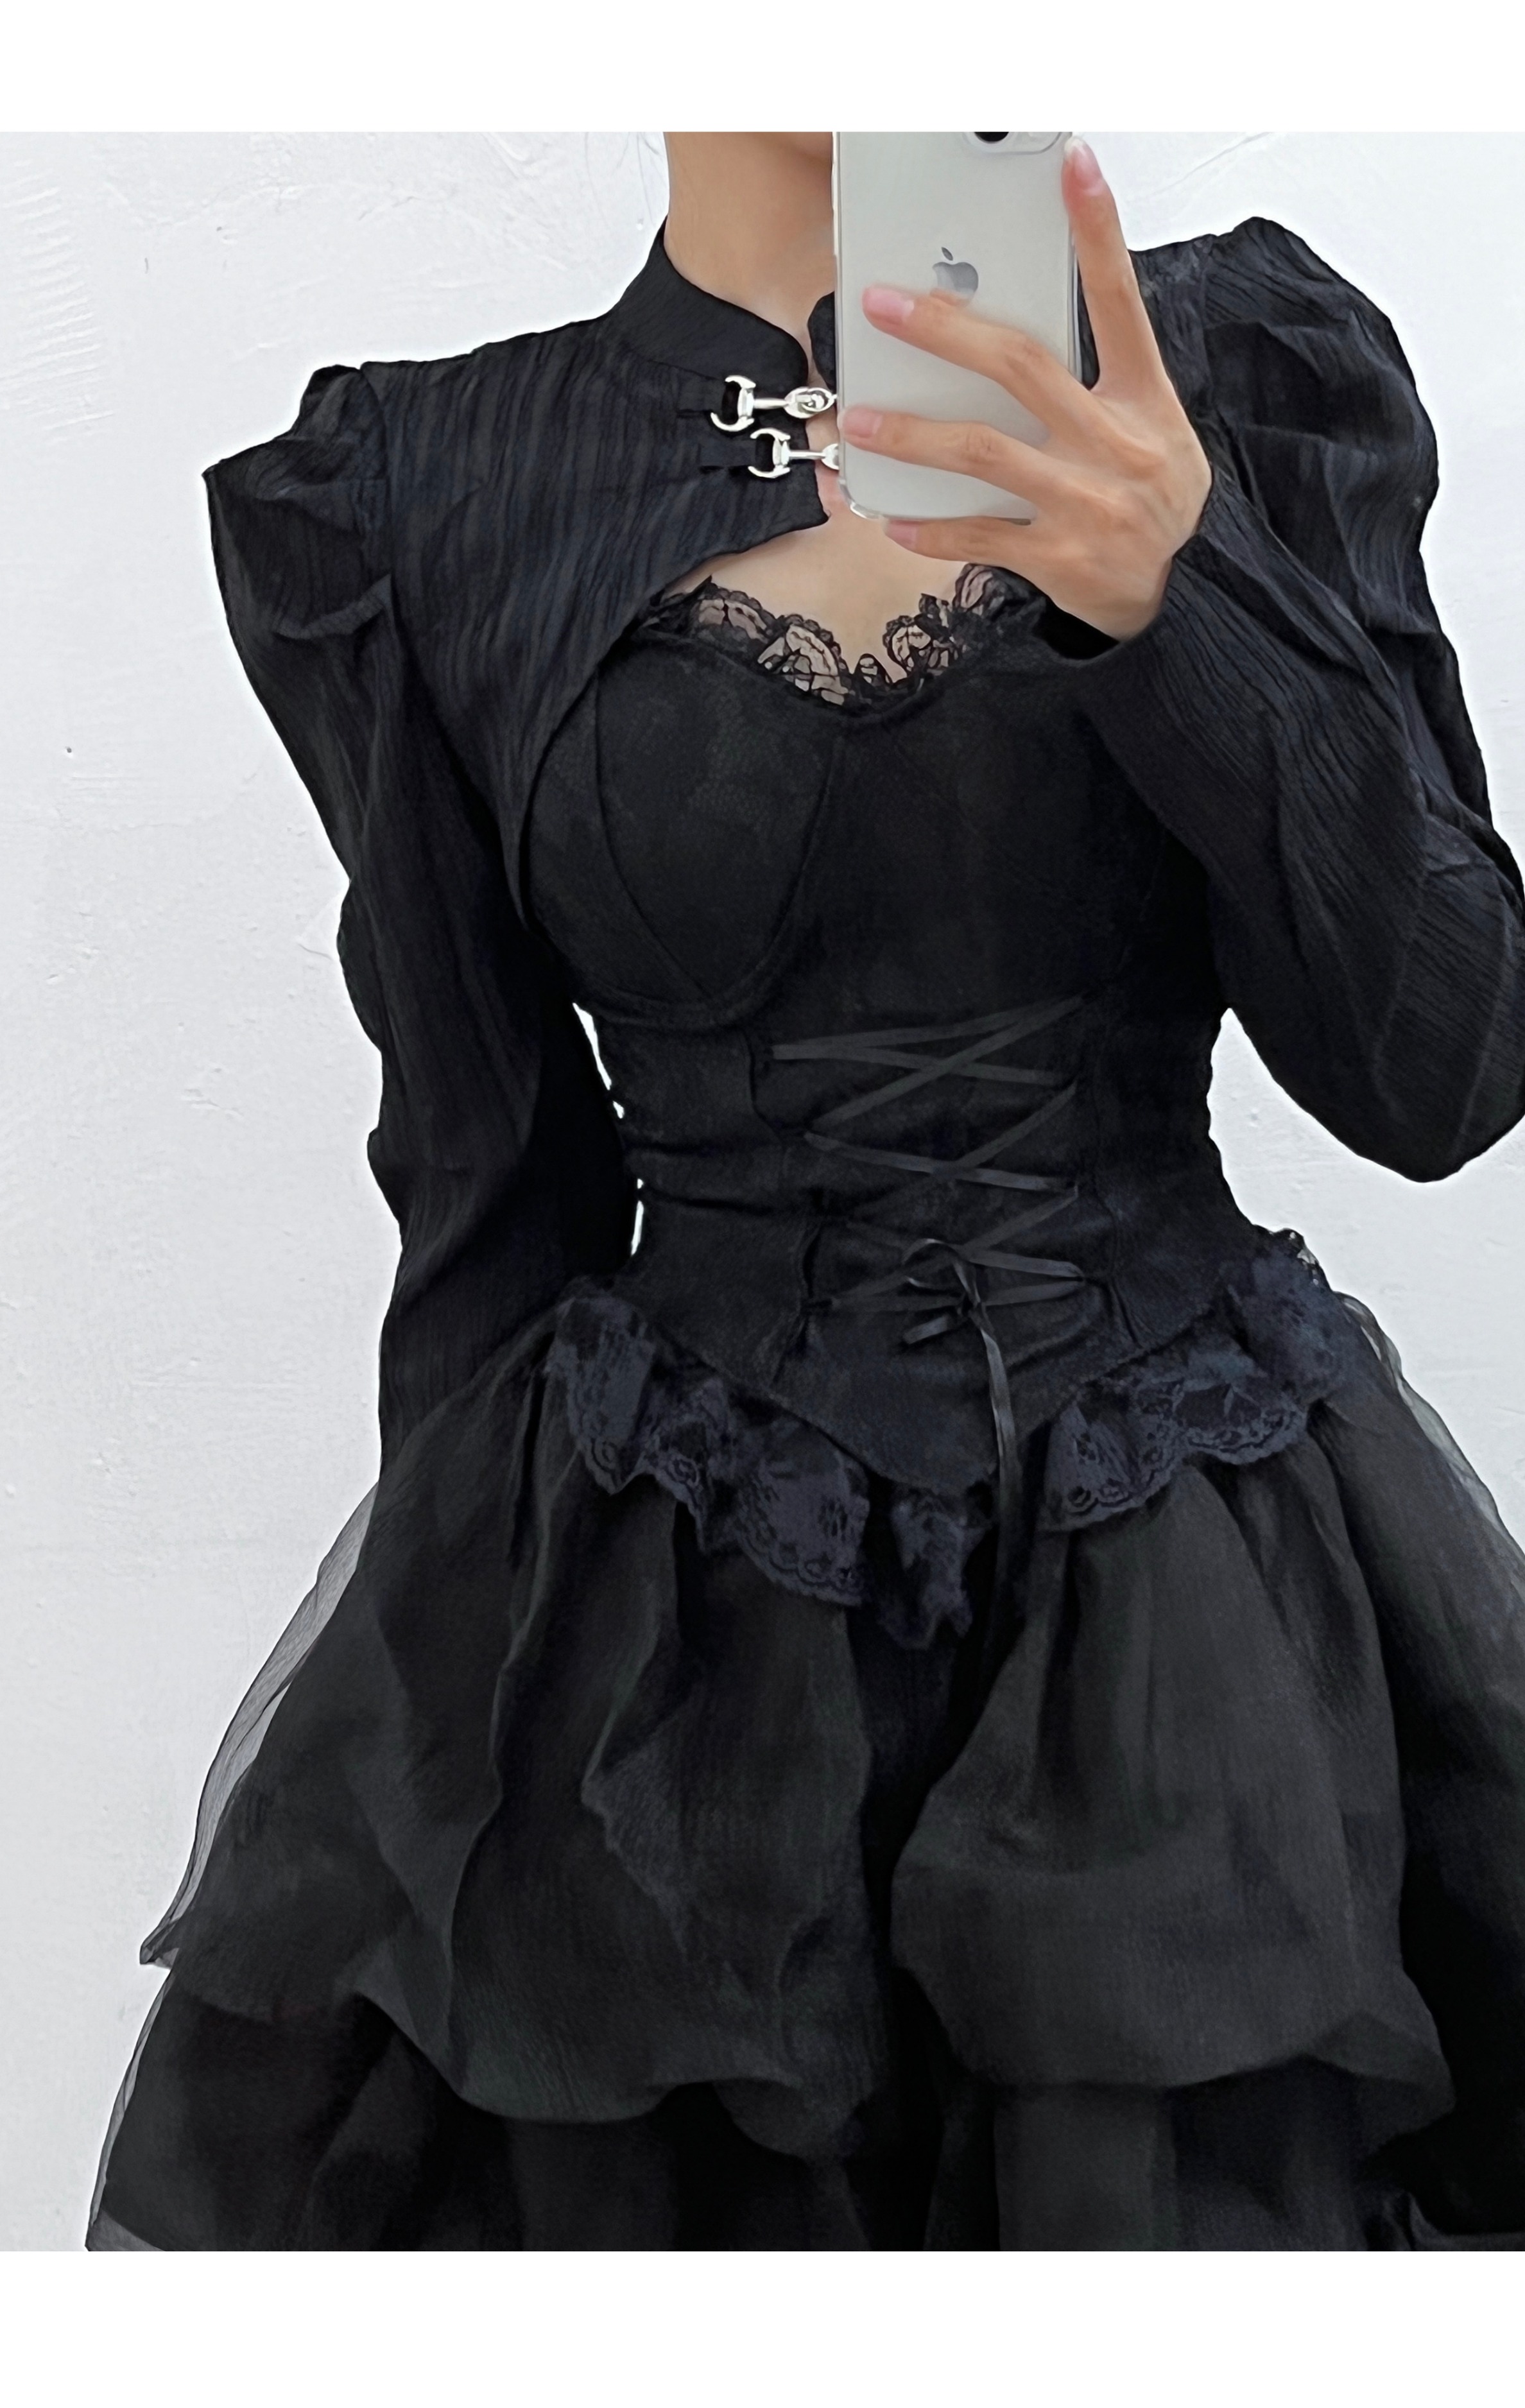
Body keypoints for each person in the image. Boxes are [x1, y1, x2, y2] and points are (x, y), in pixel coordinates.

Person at [86, 132, 1525, 2249]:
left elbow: (1445, 1070)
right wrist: (446, 1787)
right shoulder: (425, 485)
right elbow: (486, 1184)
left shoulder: (1218, 368)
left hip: (1202, 1636)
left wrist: (1185, 591)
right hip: (679, 1679)